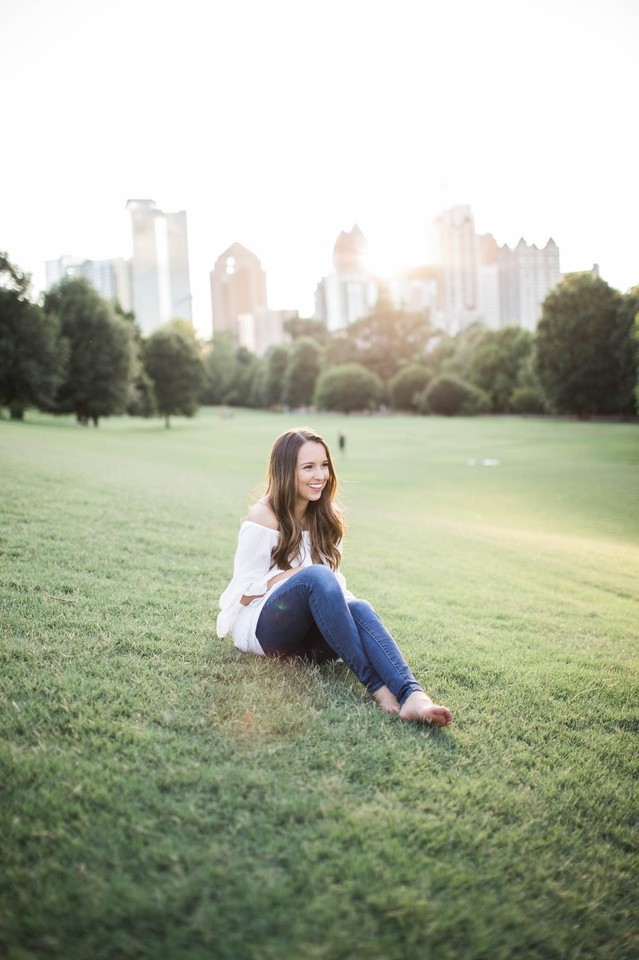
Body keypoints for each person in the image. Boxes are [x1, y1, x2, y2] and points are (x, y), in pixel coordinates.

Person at [217, 427, 453, 726]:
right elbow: (243, 591)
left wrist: (336, 599)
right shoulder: (264, 516)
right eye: (308, 467)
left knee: (359, 607)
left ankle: (412, 695)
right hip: (265, 630)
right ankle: (377, 688)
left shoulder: (326, 518)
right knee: (316, 576)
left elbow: (332, 584)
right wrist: (297, 575)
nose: (320, 475)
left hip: (307, 642)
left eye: (324, 465)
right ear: (286, 471)